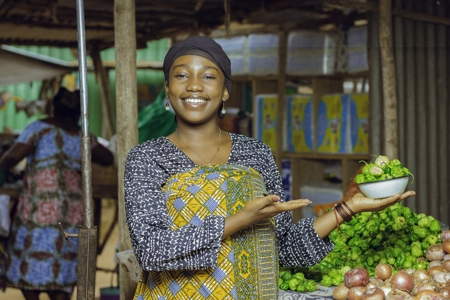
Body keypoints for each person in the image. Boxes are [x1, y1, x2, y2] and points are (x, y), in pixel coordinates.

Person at [124, 36, 415, 300]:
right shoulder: (147, 158)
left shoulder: (256, 153)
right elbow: (152, 250)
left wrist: (348, 208)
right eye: (182, 75)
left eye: (209, 76)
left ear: (225, 91)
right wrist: (240, 220)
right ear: (168, 88)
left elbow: (283, 248)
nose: (194, 86)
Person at [0, 87, 114, 300]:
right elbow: (107, 157)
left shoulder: (38, 128)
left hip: (37, 209)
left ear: (52, 108)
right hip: (71, 210)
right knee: (65, 255)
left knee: (30, 256)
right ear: (79, 113)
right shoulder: (82, 135)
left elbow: (9, 160)